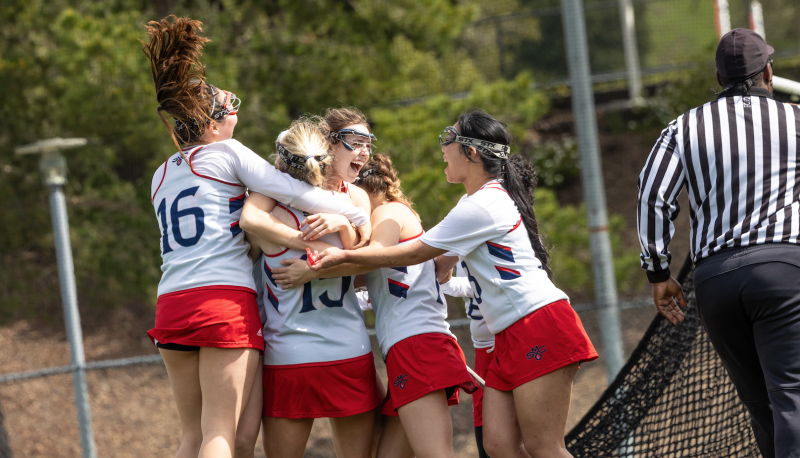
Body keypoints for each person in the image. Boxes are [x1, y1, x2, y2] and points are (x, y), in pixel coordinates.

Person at [310, 109, 598, 458]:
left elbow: (414, 253)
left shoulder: (484, 203)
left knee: (544, 446)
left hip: (538, 322)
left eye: (448, 139)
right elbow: (438, 267)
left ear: (471, 152)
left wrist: (340, 257)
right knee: (498, 445)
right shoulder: (470, 203)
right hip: (507, 333)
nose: (442, 149)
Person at [142, 17, 370, 458]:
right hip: (221, 299)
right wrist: (353, 215)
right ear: (210, 124)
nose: (235, 119)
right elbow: (293, 188)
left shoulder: (159, 174)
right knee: (220, 437)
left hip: (171, 301)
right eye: (229, 113)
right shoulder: (226, 151)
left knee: (193, 436)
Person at [637, 28, 800, 458]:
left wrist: (658, 272)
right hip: (784, 271)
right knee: (792, 399)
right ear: (768, 72)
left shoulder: (683, 127)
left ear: (718, 76)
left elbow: (653, 194)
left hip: (715, 283)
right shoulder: (795, 119)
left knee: (762, 405)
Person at [273, 154, 478, 458]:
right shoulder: (386, 218)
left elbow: (371, 256)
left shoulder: (388, 213)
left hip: (417, 344)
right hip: (409, 346)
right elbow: (363, 278)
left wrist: (314, 266)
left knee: (436, 454)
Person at [243, 112, 381, 458]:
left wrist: (340, 233)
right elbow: (358, 257)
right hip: (324, 351)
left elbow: (365, 258)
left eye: (369, 144)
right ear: (328, 146)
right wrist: (334, 240)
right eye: (356, 143)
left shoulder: (275, 210)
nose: (364, 152)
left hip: (303, 353)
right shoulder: (353, 202)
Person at [436, 261, 493, 458]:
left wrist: (446, 282)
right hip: (483, 347)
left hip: (508, 340)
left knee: (535, 442)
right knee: (489, 439)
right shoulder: (457, 244)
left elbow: (496, 284)